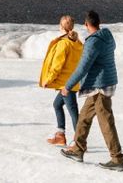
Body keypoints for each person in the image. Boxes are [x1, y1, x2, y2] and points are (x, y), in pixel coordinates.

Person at [60, 10, 123, 172]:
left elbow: (82, 68)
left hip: (99, 86)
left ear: (87, 24)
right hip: (104, 82)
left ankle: (117, 159)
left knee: (106, 122)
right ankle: (77, 150)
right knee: (84, 118)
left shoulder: (93, 42)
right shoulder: (106, 36)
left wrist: (68, 86)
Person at [39, 15, 83, 146]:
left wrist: (48, 79)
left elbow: (57, 65)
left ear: (61, 27)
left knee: (73, 111)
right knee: (57, 105)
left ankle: (79, 142)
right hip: (72, 81)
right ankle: (60, 135)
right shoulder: (77, 43)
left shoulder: (64, 44)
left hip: (66, 84)